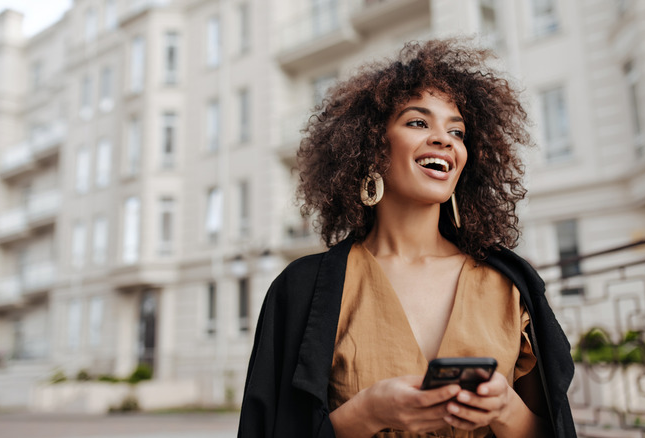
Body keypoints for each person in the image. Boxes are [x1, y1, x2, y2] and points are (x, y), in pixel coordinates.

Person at [238, 38, 576, 438]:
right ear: (371, 147)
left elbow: (552, 430)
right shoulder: (299, 290)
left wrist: (505, 410)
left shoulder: (510, 286)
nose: (444, 139)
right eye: (418, 122)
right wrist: (367, 413)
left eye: (457, 131)